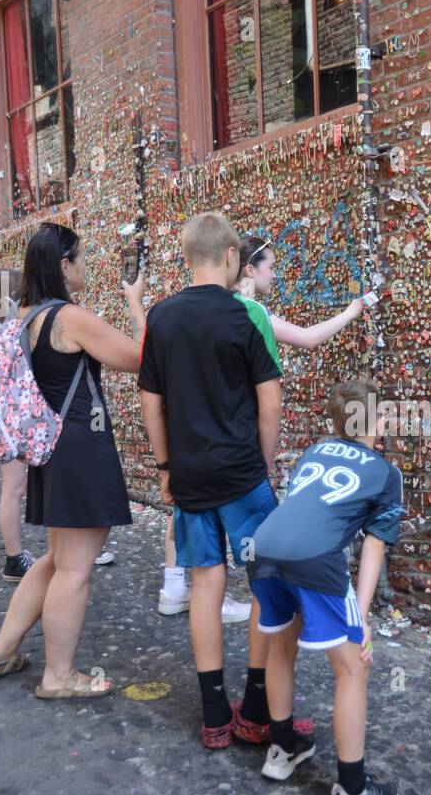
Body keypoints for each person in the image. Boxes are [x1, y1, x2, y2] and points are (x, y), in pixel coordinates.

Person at [138, 211, 303, 748]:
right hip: (242, 476)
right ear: (233, 257)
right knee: (264, 584)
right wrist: (266, 461)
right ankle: (256, 706)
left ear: (187, 259)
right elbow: (269, 401)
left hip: (189, 477)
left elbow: (151, 403)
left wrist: (165, 467)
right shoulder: (246, 316)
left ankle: (214, 715)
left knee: (205, 586)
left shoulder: (161, 317)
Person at [154, 233, 368, 621]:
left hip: (189, 450)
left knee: (195, 517)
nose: (275, 275)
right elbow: (299, 351)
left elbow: (152, 388)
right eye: (270, 267)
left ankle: (177, 585)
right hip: (236, 449)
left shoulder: (178, 313)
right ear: (246, 267)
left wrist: (166, 464)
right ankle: (271, 632)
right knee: (262, 551)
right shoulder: (249, 313)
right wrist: (352, 312)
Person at [0, 222, 148, 698]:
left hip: (49, 446)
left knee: (56, 559)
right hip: (79, 445)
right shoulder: (70, 318)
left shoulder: (25, 314)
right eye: (81, 257)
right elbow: (139, 357)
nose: (86, 265)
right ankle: (59, 676)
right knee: (74, 569)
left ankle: (1, 650)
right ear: (63, 266)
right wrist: (136, 304)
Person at [247, 379, 403, 795]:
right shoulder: (386, 473)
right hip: (315, 559)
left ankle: (281, 749)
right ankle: (352, 792)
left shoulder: (314, 451)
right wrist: (363, 620)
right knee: (353, 667)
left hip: (264, 549)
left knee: (282, 644)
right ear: (376, 420)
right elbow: (374, 544)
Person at [0, 269, 34, 583]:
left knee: (15, 488)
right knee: (12, 489)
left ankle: (17, 556)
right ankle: (13, 559)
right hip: (5, 420)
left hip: (5, 420)